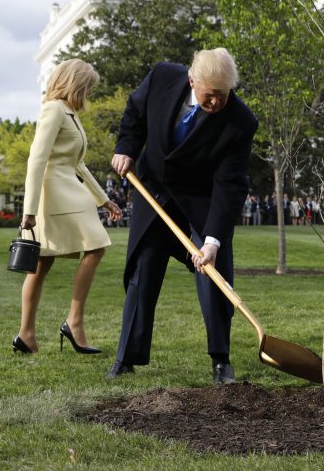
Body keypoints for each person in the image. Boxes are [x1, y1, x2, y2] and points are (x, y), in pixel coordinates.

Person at [108, 48, 257, 384]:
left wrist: (214, 240)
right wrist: (127, 147)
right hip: (154, 190)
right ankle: (126, 357)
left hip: (202, 201)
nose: (217, 102)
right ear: (193, 80)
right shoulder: (162, 77)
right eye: (210, 95)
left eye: (223, 95)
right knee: (143, 270)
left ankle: (221, 360)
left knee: (213, 274)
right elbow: (135, 111)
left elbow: (230, 183)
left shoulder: (240, 122)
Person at [14, 59, 122, 355]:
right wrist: (30, 211)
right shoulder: (53, 110)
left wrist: (103, 198)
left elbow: (78, 164)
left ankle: (27, 336)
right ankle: (72, 323)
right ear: (73, 82)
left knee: (42, 263)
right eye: (87, 85)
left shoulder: (70, 113)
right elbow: (36, 160)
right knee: (94, 246)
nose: (89, 91)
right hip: (55, 194)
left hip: (68, 191)